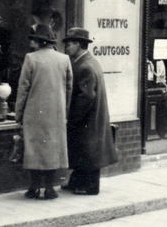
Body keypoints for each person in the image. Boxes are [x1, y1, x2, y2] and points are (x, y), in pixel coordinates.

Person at [15, 24, 73, 199]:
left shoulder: (30, 59)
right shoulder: (64, 59)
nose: (31, 42)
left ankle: (33, 187)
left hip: (34, 112)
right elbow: (69, 88)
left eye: (33, 39)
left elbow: (23, 88)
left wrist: (18, 114)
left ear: (39, 41)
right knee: (52, 149)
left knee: (34, 149)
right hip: (57, 113)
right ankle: (49, 188)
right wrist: (65, 110)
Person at [63, 27, 118, 195]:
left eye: (70, 44)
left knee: (89, 152)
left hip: (88, 119)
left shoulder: (84, 66)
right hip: (93, 118)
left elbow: (86, 97)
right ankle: (77, 182)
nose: (67, 48)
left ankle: (90, 187)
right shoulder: (87, 62)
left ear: (79, 45)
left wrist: (73, 118)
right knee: (85, 152)